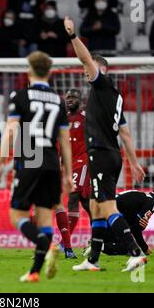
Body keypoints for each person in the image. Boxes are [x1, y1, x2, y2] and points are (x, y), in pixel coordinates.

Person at [64, 16, 147, 272]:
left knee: (107, 207)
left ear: (99, 69)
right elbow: (126, 133)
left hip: (100, 154)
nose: (84, 72)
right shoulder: (115, 96)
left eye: (88, 69)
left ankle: (134, 253)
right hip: (113, 155)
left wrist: (72, 35)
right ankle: (93, 260)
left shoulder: (101, 84)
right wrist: (134, 162)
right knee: (97, 208)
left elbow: (86, 59)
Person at [0, 51, 73, 282]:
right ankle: (35, 272)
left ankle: (44, 245)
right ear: (50, 72)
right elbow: (65, 140)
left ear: (28, 71)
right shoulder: (59, 100)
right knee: (45, 217)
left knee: (17, 214)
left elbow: (10, 130)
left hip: (30, 156)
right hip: (51, 160)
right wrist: (67, 173)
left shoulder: (20, 95)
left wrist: (0, 163)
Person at [83, 183, 154, 257]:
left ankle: (96, 243)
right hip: (109, 219)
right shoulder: (151, 203)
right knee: (130, 247)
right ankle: (97, 246)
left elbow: (132, 225)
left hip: (99, 217)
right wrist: (145, 248)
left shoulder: (142, 197)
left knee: (124, 242)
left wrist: (139, 227)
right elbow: (136, 230)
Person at [53, 89, 91, 259]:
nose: (70, 100)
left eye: (74, 97)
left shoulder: (87, 118)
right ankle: (104, 233)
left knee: (73, 197)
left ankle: (63, 244)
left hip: (82, 162)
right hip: (67, 165)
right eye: (68, 97)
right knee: (86, 202)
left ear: (81, 100)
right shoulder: (63, 119)